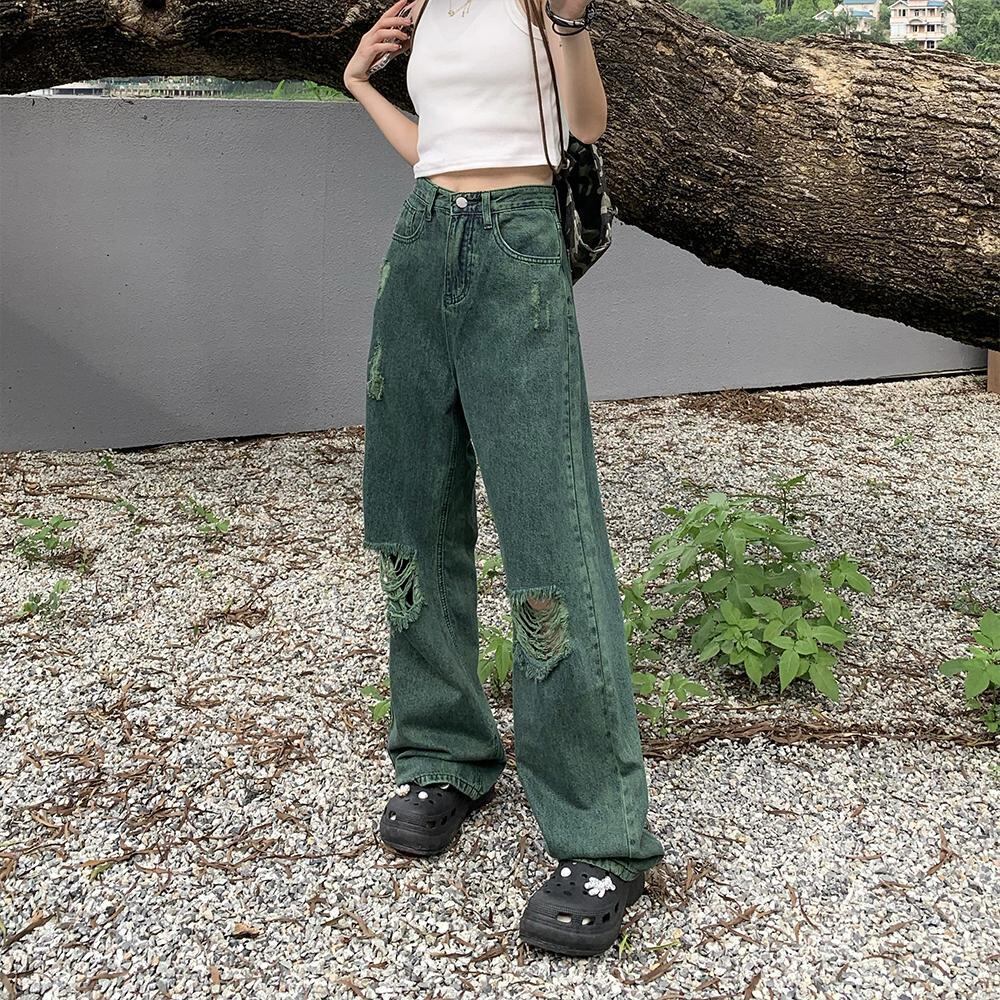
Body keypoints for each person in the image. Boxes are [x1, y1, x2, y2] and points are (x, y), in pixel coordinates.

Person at [343, 0, 664, 958]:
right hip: (419, 242)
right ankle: (444, 752)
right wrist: (361, 83)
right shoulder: (425, 7)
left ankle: (601, 837)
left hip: (518, 244)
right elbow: (435, 148)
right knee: (410, 514)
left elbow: (587, 123)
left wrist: (569, 23)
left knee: (548, 532)